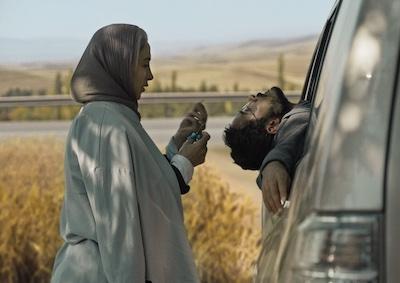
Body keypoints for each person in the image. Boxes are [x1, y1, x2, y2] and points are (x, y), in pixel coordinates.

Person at [51, 24, 209, 283]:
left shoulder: (114, 117)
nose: (150, 76)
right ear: (120, 65)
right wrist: (183, 164)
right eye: (144, 64)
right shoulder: (105, 126)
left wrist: (176, 149)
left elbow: (139, 183)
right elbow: (118, 227)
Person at [223, 87, 310, 214]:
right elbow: (292, 130)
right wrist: (273, 162)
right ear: (273, 125)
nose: (252, 97)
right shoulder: (294, 119)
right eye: (248, 109)